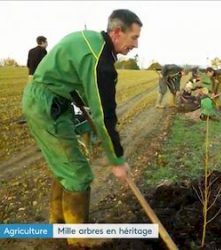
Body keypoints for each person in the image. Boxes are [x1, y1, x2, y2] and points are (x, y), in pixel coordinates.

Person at [21, 9, 142, 248]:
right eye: (134, 37)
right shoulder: (100, 60)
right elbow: (104, 114)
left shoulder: (89, 39)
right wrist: (116, 159)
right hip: (47, 105)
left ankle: (59, 224)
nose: (136, 45)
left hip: (53, 100)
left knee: (65, 167)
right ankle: (78, 236)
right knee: (78, 173)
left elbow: (77, 85)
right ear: (117, 32)